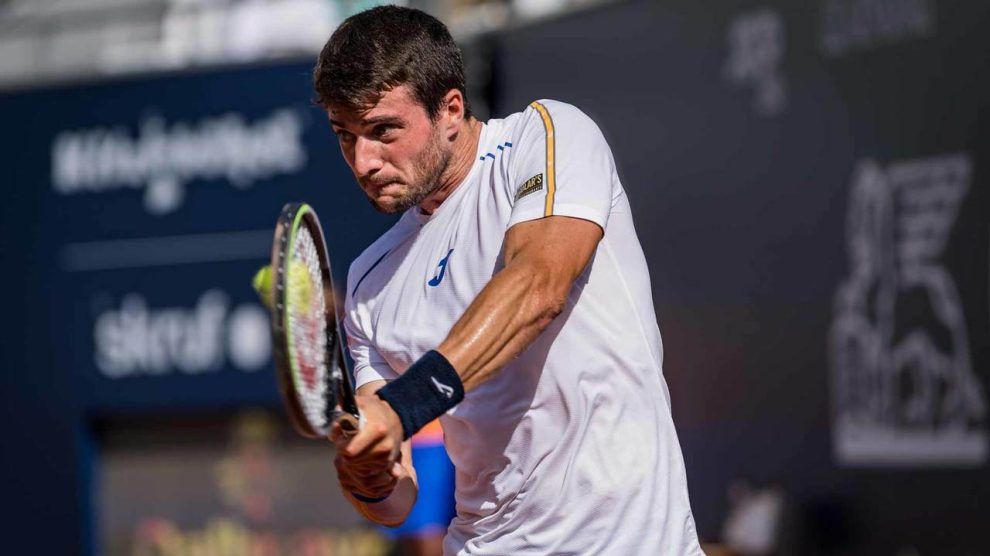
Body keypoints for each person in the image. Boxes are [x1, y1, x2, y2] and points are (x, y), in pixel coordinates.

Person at [314, 6, 703, 554]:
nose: (363, 161)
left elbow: (538, 284)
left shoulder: (546, 136)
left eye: (382, 131)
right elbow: (397, 499)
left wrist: (403, 405)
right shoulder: (369, 282)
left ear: (450, 108)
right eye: (345, 135)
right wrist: (371, 478)